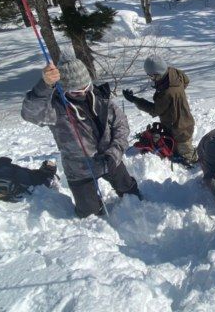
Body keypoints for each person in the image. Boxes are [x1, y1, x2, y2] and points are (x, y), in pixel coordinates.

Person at [21, 55, 140, 217]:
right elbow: (30, 113)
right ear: (64, 90)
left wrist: (115, 152)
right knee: (88, 214)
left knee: (131, 193)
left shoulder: (101, 98)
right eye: (77, 91)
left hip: (109, 158)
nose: (84, 93)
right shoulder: (54, 108)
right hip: (79, 168)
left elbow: (121, 126)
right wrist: (44, 86)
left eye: (86, 87)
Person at [123, 55, 197, 165]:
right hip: (180, 120)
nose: (151, 78)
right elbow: (186, 81)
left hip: (180, 128)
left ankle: (195, 164)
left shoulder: (166, 92)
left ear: (157, 74)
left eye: (151, 76)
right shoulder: (174, 73)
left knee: (187, 156)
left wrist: (134, 100)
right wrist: (177, 99)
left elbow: (155, 110)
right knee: (175, 145)